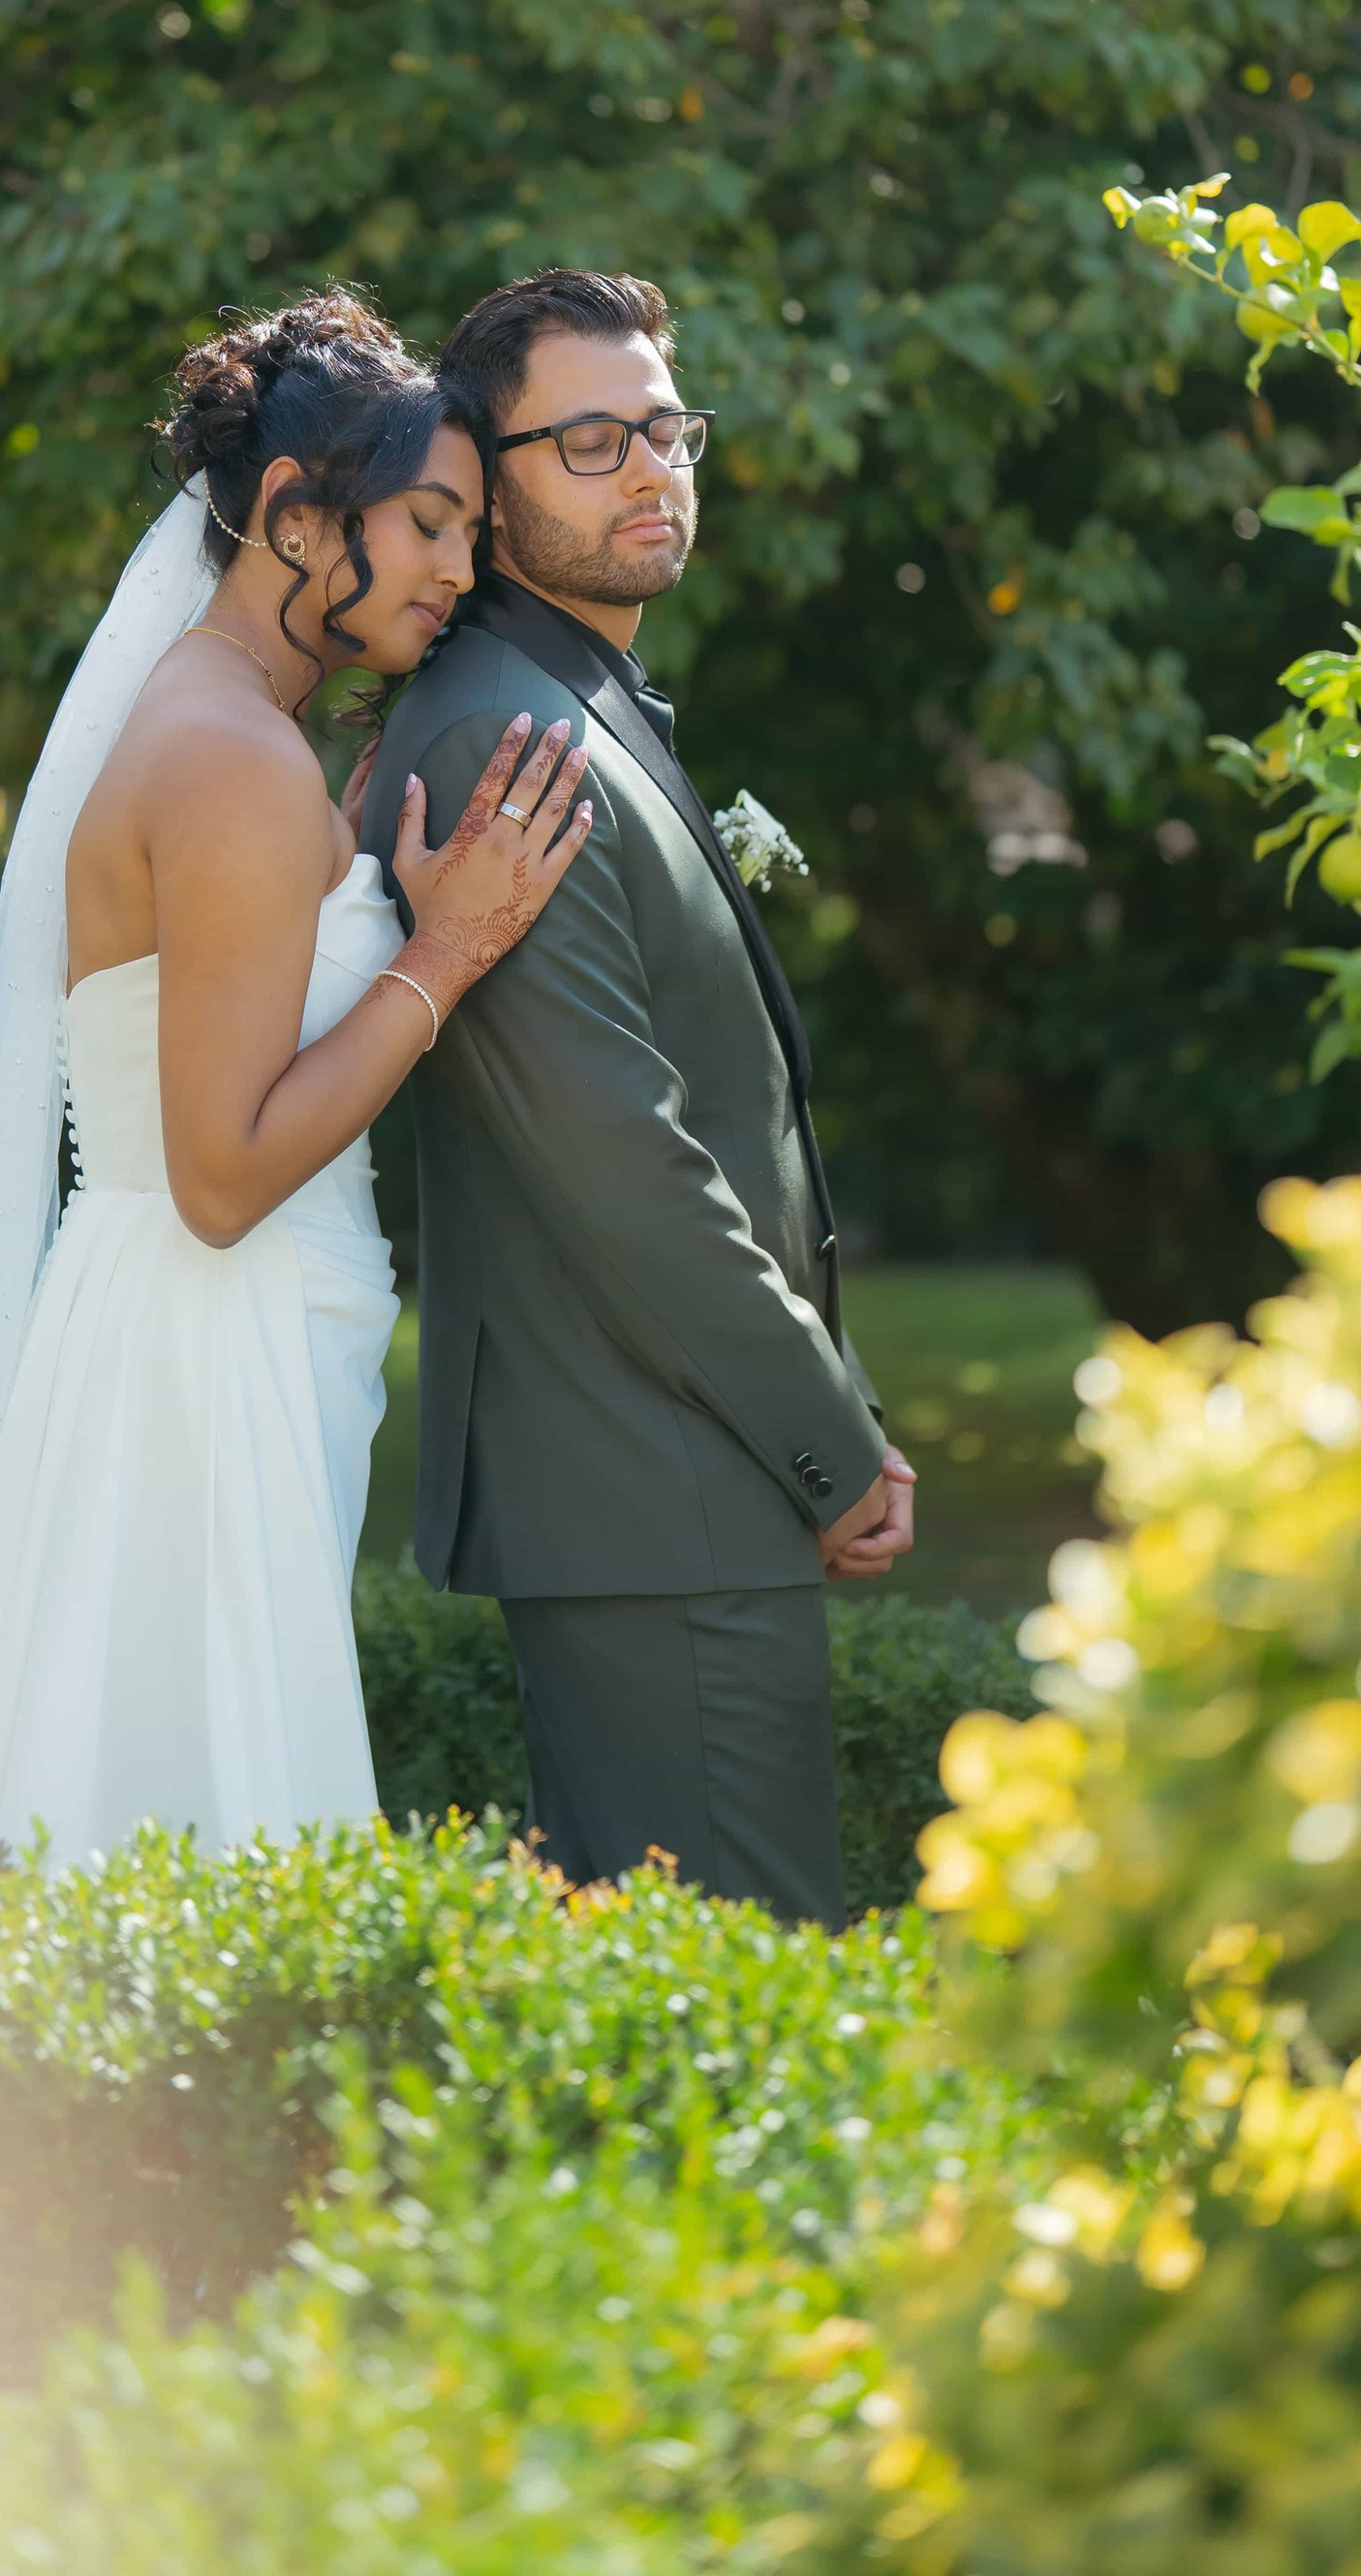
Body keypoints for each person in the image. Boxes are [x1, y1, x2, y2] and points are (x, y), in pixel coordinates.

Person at [0, 291, 592, 1862]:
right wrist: (443, 953)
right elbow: (223, 1175)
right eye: (427, 523)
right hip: (204, 1348)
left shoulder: (230, 732)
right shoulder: (237, 762)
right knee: (199, 1820)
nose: (462, 568)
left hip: (199, 1332)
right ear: (287, 516)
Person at [356, 267, 917, 1921]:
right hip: (644, 1486)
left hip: (681, 1472)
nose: (653, 467)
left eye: (667, 427)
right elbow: (623, 1163)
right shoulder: (499, 746)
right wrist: (834, 1438)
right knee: (741, 2000)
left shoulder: (573, 706)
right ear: (491, 475)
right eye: (590, 440)